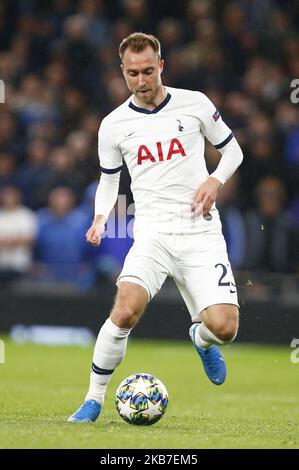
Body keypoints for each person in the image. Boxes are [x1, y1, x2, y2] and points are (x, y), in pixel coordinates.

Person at [68, 32, 243, 423]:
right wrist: (100, 218)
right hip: (152, 233)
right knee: (126, 309)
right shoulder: (113, 125)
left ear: (161, 65)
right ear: (123, 73)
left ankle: (199, 338)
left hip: (200, 232)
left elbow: (234, 150)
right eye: (133, 74)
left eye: (149, 70)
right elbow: (110, 180)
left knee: (224, 328)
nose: (142, 81)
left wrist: (215, 180)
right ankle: (93, 400)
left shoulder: (195, 104)